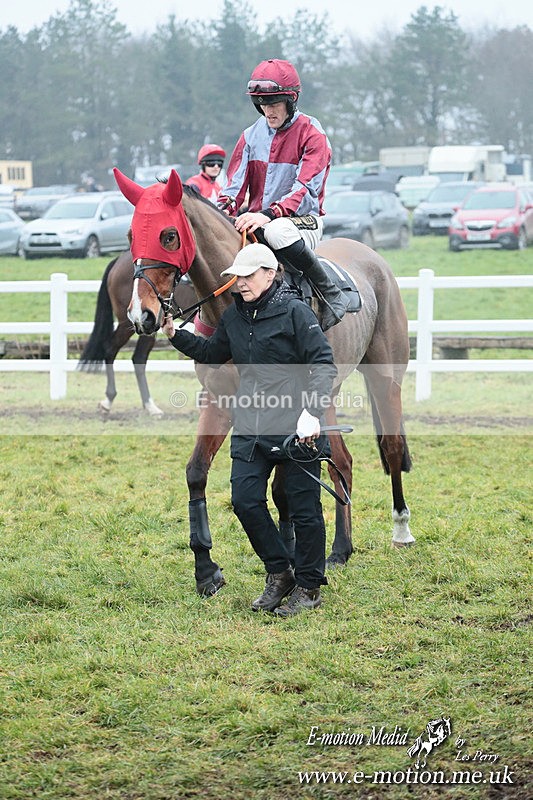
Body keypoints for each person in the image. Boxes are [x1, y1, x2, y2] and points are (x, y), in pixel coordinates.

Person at [162, 243, 337, 617]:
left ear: (270, 273)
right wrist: (176, 334)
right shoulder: (235, 318)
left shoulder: (296, 312)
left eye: (247, 275)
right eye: (236, 277)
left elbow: (323, 363)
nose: (240, 283)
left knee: (305, 510)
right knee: (244, 500)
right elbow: (212, 352)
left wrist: (312, 413)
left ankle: (308, 586)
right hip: (251, 426)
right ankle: (279, 571)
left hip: (297, 428)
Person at [217, 58, 350, 330]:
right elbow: (233, 188)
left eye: (274, 103)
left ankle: (329, 291)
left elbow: (303, 188)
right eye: (263, 104)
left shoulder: (312, 133)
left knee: (277, 231)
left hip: (302, 221)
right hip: (257, 220)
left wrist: (267, 214)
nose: (268, 111)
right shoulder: (250, 136)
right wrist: (220, 214)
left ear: (291, 101)